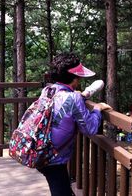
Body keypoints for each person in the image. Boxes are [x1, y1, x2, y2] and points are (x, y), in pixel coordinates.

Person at [37, 52, 111, 196]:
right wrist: (97, 109)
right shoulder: (73, 98)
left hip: (41, 151)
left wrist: (82, 95)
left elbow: (63, 104)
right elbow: (90, 128)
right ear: (75, 79)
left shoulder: (48, 90)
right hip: (54, 160)